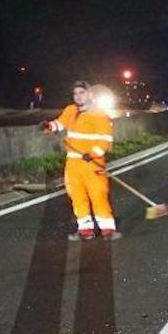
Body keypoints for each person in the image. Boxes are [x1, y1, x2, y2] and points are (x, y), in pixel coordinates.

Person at [43, 80, 118, 240]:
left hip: (92, 164)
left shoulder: (99, 115)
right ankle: (85, 230)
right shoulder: (70, 110)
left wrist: (92, 153)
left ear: (90, 94)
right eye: (75, 93)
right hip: (73, 164)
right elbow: (59, 124)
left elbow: (105, 140)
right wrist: (49, 126)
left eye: (81, 93)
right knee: (77, 197)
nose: (78, 96)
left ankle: (107, 229)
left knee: (98, 195)